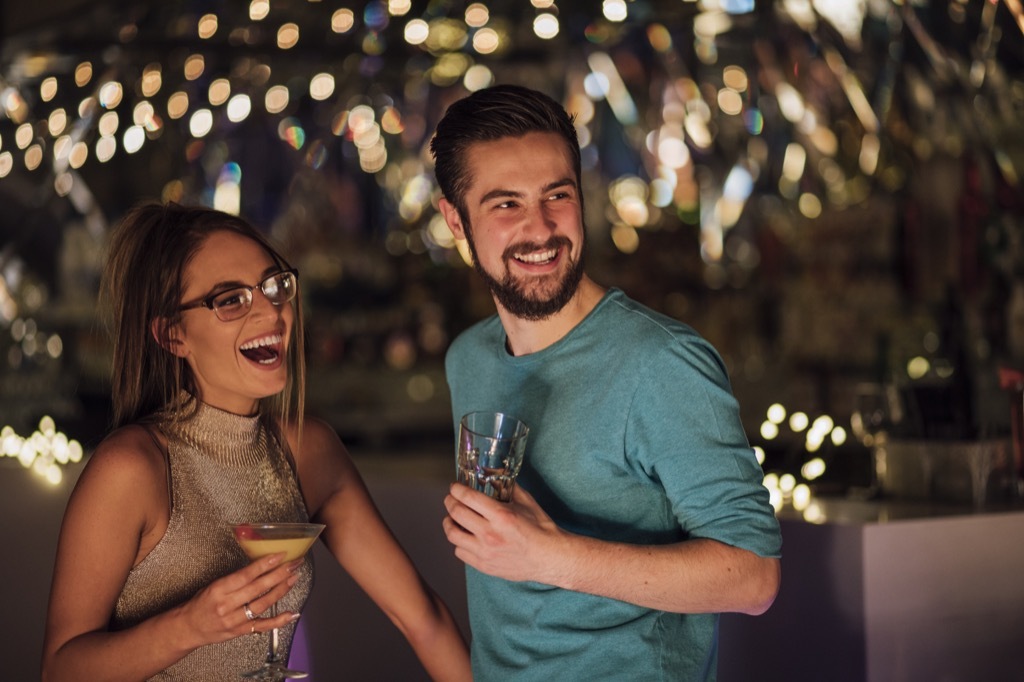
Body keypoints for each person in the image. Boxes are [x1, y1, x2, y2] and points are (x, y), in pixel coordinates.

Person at [431, 84, 782, 680]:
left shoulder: (662, 363)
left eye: (557, 195)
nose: (541, 229)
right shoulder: (469, 359)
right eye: (505, 205)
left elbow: (754, 576)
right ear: (456, 222)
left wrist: (550, 556)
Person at [41, 203, 471, 682]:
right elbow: (61, 670)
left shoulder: (309, 452)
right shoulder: (132, 468)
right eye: (230, 300)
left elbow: (423, 620)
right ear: (172, 334)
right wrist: (189, 625)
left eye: (273, 286)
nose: (271, 310)